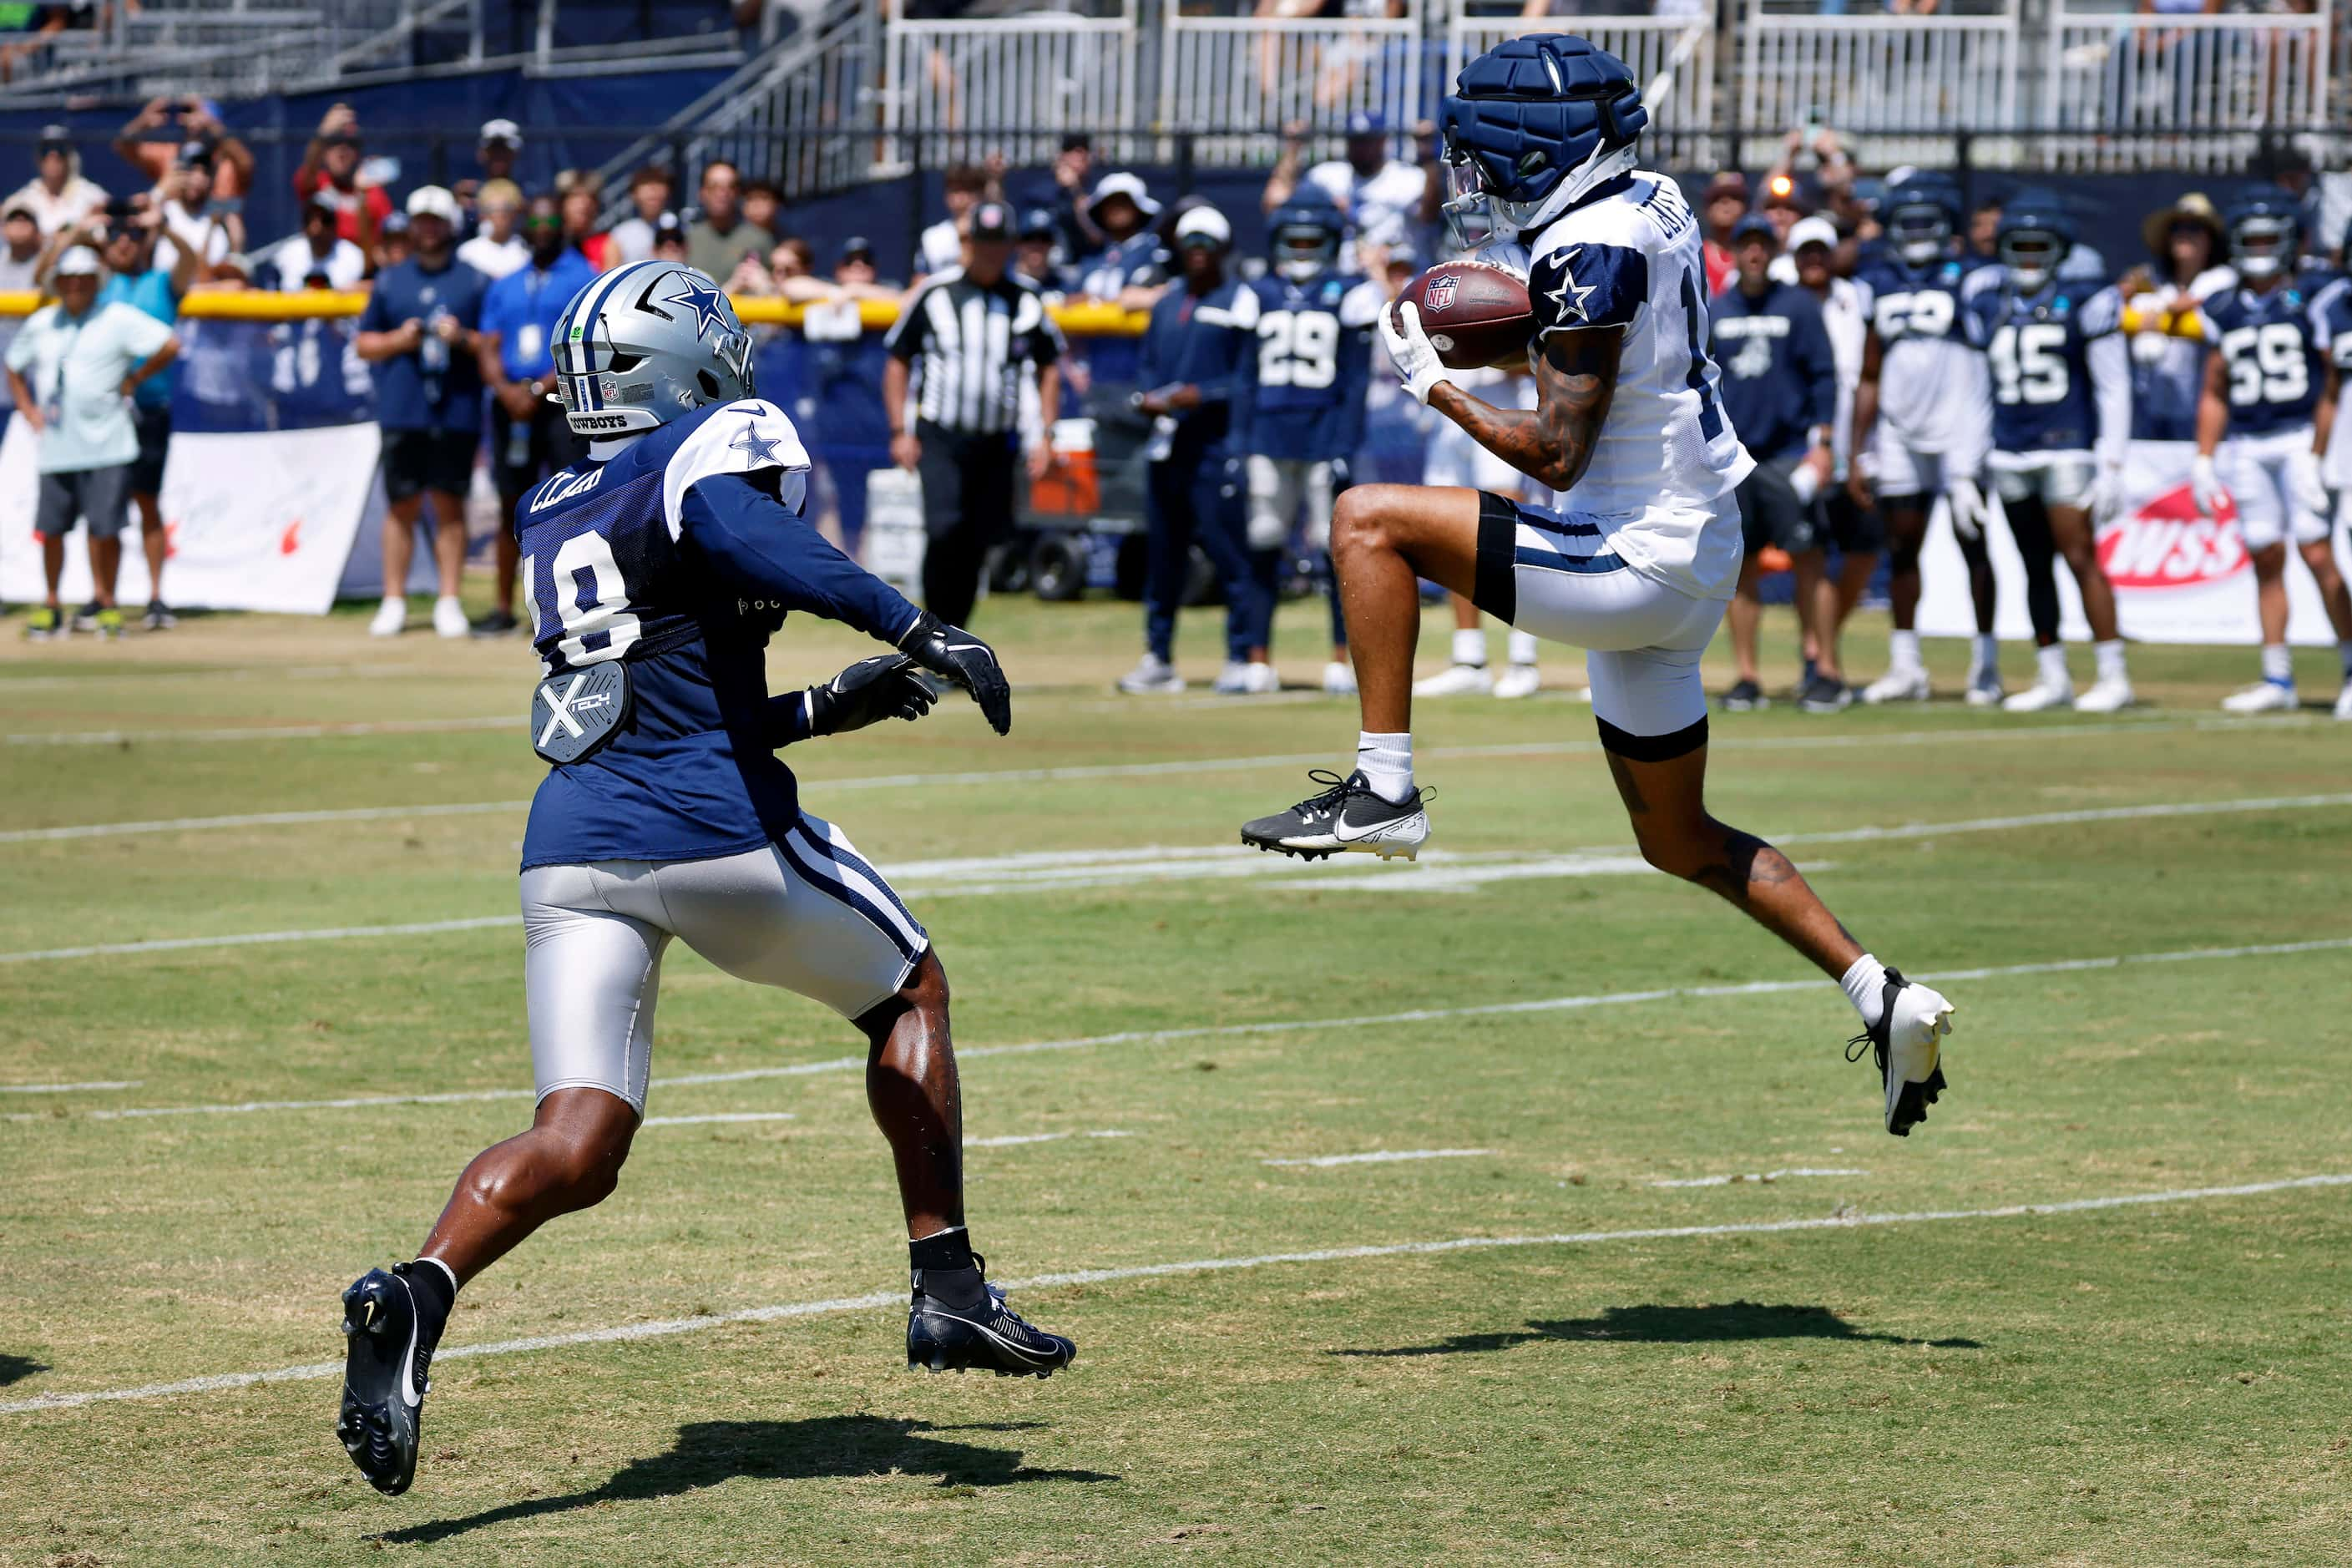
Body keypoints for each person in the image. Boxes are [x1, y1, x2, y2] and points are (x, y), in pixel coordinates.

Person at [333, 256, 1074, 1501]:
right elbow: (745, 532)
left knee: (579, 1137)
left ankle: (415, 1291)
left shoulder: (556, 499)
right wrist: (911, 624)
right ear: (674, 362)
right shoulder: (702, 455)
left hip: (571, 848)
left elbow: (661, 697)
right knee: (911, 992)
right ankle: (948, 1288)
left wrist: (822, 708)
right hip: (715, 837)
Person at [1237, 35, 1954, 1139]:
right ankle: (1883, 992)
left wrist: (1434, 384)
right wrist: (1516, 331)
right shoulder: (1653, 197)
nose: (1475, 176)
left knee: (1364, 517)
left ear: (1539, 148)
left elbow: (1557, 451)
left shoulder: (1589, 244)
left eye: (1486, 153)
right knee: (1676, 839)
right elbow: (1593, 335)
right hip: (1684, 539)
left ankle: (1384, 788)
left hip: (1636, 551)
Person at [1962, 194, 2136, 714]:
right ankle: (2053, 673)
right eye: (2021, 245)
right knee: (2033, 564)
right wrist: (1967, 468)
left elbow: (2114, 386)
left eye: (2041, 246)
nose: (2031, 256)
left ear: (2061, 249)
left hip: (2068, 448)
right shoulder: (1986, 298)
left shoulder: (2088, 298)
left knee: (2080, 557)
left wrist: (2111, 463)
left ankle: (2113, 673)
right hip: (2011, 451)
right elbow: (1975, 392)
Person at [2193, 195, 2352, 715]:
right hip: (2248, 441)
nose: (2259, 250)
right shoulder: (2223, 306)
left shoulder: (2312, 298)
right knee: (2264, 557)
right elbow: (2214, 387)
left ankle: (2351, 668)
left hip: (2297, 436)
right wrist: (2204, 457)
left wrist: (2316, 451)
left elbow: (2331, 383)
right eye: (2251, 239)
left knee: (2318, 554)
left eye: (2268, 239)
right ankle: (2277, 677)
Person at [1849, 172, 2004, 705]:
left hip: (1960, 428)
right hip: (1899, 431)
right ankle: (1906, 663)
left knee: (1974, 547)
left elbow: (1984, 365)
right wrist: (1856, 449)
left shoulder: (1975, 279)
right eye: (1905, 222)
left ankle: (1987, 664)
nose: (1915, 232)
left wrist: (1972, 455)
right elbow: (1868, 372)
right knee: (1902, 549)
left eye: (1926, 222)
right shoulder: (1876, 281)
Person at [882, 201, 1062, 627]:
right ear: (967, 244)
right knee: (944, 531)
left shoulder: (1025, 299)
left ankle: (954, 635)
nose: (991, 253)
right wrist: (898, 430)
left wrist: (1046, 434)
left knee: (977, 541)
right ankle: (931, 632)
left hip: (995, 439)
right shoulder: (936, 293)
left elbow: (1050, 363)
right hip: (942, 434)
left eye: (1000, 244)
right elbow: (898, 359)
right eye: (983, 243)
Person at [1230, 190, 1379, 696]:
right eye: (1291, 238)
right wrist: (1239, 441)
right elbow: (1244, 377)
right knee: (1263, 547)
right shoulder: (1257, 292)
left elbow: (1356, 382)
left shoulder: (1353, 291)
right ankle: (1256, 659)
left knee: (1335, 554)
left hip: (1322, 440)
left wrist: (1344, 443)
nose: (1300, 246)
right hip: (1269, 439)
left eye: (1309, 238)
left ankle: (1340, 659)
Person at [1115, 206, 1267, 695]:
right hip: (1168, 446)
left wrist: (1198, 396)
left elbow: (1246, 381)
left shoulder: (1239, 300)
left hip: (1216, 445)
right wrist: (1146, 398)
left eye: (1207, 244)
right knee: (1163, 555)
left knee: (1228, 554)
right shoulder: (1167, 302)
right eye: (1190, 244)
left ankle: (1241, 655)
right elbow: (1148, 366)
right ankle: (1158, 656)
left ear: (1222, 249)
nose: (1198, 253)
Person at [5, 246, 178, 641]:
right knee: (52, 528)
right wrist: (29, 410)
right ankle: (52, 604)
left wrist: (134, 380)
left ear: (95, 282)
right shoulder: (44, 322)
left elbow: (169, 343)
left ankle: (107, 602)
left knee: (105, 528)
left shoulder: (116, 318)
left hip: (108, 441)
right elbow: (14, 364)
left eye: (84, 278)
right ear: (60, 283)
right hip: (58, 443)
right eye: (70, 278)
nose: (77, 285)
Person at [1710, 214, 1840, 712]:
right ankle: (1747, 676)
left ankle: (1825, 670)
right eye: (1748, 245)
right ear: (1737, 251)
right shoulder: (1717, 309)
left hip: (1788, 454)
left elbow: (1824, 376)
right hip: (1736, 459)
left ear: (1774, 250)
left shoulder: (1799, 306)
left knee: (1810, 559)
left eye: (1764, 245)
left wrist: (1824, 443)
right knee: (1738, 568)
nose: (1756, 254)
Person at [353, 185, 489, 640]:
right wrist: (400, 339)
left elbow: (491, 345)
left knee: (450, 503)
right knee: (402, 505)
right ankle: (394, 598)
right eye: (421, 220)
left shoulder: (473, 280)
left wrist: (461, 339)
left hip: (455, 406)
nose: (428, 228)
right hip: (404, 406)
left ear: (450, 225)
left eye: (436, 220)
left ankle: (449, 599)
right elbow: (365, 343)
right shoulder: (392, 280)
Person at [471, 193, 598, 635]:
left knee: (568, 503)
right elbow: (488, 343)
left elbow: (585, 342)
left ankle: (570, 607)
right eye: (535, 219)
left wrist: (540, 386)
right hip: (511, 407)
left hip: (561, 404)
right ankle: (503, 606)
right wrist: (506, 390)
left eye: (550, 219)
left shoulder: (583, 277)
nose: (542, 227)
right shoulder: (507, 283)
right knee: (513, 502)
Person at [76, 201, 198, 630]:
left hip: (148, 409)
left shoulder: (161, 283)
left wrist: (162, 227)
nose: (124, 243)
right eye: (116, 237)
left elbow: (190, 260)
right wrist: (82, 229)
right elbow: (48, 275)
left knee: (147, 502)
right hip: (105, 413)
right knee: (101, 508)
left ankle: (155, 597)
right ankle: (101, 595)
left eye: (132, 236)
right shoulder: (97, 286)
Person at [1776, 215, 1882, 701]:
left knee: (1863, 549)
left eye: (1822, 250)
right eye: (1806, 251)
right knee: (1809, 557)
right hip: (1800, 448)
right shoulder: (1779, 298)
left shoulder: (1857, 297)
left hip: (1853, 444)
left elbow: (1864, 376)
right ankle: (1820, 661)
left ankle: (1822, 640)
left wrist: (1857, 451)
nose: (1814, 259)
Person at [2122, 194, 2233, 441]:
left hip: (2202, 409)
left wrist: (2161, 313)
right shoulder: (2155, 283)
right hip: (2152, 411)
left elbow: (2196, 302)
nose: (2185, 235)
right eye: (2177, 229)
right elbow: (2118, 300)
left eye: (2194, 229)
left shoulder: (2223, 279)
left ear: (2210, 240)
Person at [1262, 112, 1434, 272]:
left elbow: (1429, 215)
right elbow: (1275, 202)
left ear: (1382, 141)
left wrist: (1427, 152)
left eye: (1367, 141)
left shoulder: (1408, 178)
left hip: (1394, 275)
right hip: (1341, 277)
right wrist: (1294, 148)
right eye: (1355, 141)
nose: (1361, 149)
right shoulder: (1330, 175)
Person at [111, 94, 255, 211]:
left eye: (194, 111)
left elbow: (246, 163)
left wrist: (210, 123)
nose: (191, 118)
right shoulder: (170, 155)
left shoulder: (227, 162)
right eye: (186, 112)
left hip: (215, 238)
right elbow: (122, 146)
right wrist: (142, 122)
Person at [293, 104, 392, 250]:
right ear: (325, 152)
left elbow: (384, 246)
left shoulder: (373, 193)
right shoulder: (317, 183)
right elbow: (309, 169)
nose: (342, 152)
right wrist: (323, 134)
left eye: (349, 145)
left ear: (357, 153)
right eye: (334, 143)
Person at [1069, 173, 1166, 307]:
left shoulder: (1154, 252)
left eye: (1123, 201)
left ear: (1138, 208)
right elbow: (1070, 297)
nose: (1116, 209)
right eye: (1109, 203)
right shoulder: (1093, 256)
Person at [6, 125, 107, 237]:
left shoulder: (93, 196)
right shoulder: (22, 199)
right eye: (46, 149)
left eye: (60, 149)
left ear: (70, 156)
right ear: (38, 158)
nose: (52, 155)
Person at [685, 159, 776, 280]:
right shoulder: (688, 239)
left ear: (738, 192)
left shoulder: (760, 240)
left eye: (730, 187)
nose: (722, 194)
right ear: (702, 193)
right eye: (714, 187)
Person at [0, 204, 43, 434]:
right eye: (12, 220)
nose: (19, 225)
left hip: (36, 375)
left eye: (25, 220)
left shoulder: (46, 263)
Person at [916, 164, 989, 281]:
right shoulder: (932, 236)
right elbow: (920, 281)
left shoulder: (993, 233)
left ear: (981, 194)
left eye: (968, 190)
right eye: (955, 191)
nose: (961, 198)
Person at [456, 180, 529, 280]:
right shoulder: (467, 253)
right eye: (493, 209)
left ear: (515, 213)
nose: (500, 215)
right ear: (483, 214)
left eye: (506, 208)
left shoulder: (525, 250)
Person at [605, 165, 674, 266]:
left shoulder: (683, 229)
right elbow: (610, 276)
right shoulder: (620, 234)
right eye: (645, 183)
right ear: (634, 194)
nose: (653, 189)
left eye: (659, 183)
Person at [1700, 170, 1748, 295]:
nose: (1725, 202)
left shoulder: (1756, 254)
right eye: (1717, 198)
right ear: (1706, 209)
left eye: (1735, 197)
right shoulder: (1695, 254)